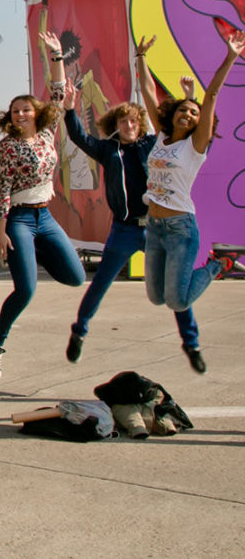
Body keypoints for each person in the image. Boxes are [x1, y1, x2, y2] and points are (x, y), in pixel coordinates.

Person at [63, 71, 204, 370]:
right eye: (123, 121)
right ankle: (79, 331)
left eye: (134, 121)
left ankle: (191, 344)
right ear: (115, 125)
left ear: (140, 125)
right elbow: (78, 137)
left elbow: (184, 132)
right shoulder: (107, 150)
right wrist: (69, 109)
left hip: (156, 228)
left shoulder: (154, 145)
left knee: (173, 290)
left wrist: (189, 99)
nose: (129, 126)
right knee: (100, 282)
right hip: (124, 230)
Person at [0, 32, 85, 382]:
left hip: (45, 216)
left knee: (75, 277)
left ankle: (34, 253)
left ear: (35, 112)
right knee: (26, 290)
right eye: (15, 111)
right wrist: (0, 230)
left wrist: (56, 56)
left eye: (26, 109)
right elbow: (3, 191)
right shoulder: (7, 147)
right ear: (10, 117)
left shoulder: (47, 135)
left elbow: (58, 94)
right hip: (20, 220)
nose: (21, 114)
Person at [135, 30, 245, 337]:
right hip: (155, 227)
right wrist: (141, 57)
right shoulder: (162, 136)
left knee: (178, 301)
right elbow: (146, 92)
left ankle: (218, 265)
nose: (188, 113)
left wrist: (230, 56)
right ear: (174, 114)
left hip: (181, 229)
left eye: (194, 113)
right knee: (156, 297)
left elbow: (210, 97)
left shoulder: (195, 147)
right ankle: (217, 265)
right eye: (183, 109)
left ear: (200, 123)